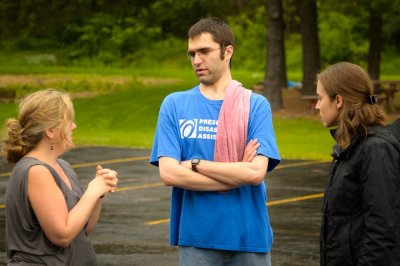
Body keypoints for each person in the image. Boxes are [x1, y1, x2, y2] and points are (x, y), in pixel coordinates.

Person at [150, 17, 280, 266]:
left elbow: (254, 173)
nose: (196, 60)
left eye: (204, 51)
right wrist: (234, 173)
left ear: (227, 51)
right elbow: (169, 174)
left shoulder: (255, 105)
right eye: (192, 54)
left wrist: (195, 164)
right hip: (197, 239)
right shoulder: (174, 105)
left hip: (249, 238)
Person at [0, 89, 118, 265]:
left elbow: (83, 229)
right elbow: (62, 235)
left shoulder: (63, 166)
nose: (74, 126)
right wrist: (91, 192)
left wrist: (100, 192)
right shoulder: (35, 171)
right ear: (51, 131)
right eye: (69, 120)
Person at [315, 62, 400, 265]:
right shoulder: (349, 147)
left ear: (338, 100)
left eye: (320, 97)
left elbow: (382, 231)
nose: (317, 105)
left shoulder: (376, 149)